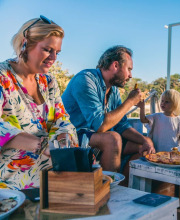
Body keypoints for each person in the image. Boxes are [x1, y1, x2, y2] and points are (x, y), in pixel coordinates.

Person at [0, 16, 77, 190]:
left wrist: (63, 139)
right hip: (11, 166)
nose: (53, 57)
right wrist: (41, 146)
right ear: (25, 44)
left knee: (86, 171)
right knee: (65, 184)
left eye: (57, 52)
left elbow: (60, 118)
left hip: (48, 157)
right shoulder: (2, 77)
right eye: (48, 50)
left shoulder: (48, 81)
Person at [62, 46, 155, 181]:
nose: (130, 75)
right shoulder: (85, 80)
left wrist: (146, 140)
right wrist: (130, 102)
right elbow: (99, 125)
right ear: (115, 65)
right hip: (73, 137)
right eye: (129, 69)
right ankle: (108, 192)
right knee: (112, 138)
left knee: (143, 146)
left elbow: (122, 126)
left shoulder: (113, 90)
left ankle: (123, 188)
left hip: (93, 137)